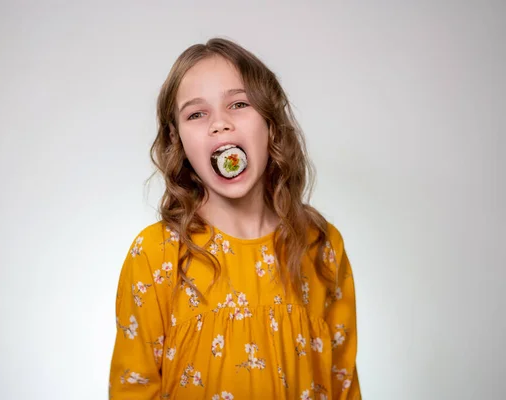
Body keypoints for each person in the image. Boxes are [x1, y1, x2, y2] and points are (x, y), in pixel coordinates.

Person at [108, 37, 361, 400]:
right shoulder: (156, 255)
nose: (220, 124)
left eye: (239, 104)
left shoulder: (320, 246)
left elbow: (344, 385)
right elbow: (133, 389)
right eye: (196, 114)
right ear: (177, 140)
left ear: (271, 124)